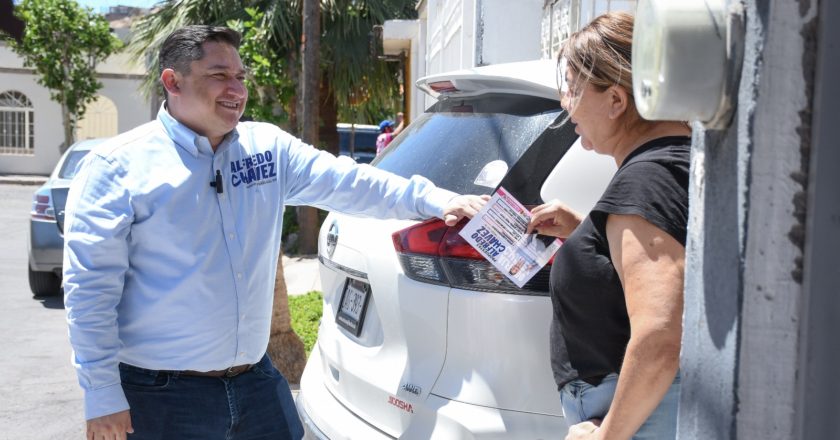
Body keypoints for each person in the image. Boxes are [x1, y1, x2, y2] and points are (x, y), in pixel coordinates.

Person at [63, 25, 487, 440]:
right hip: (161, 398)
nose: (237, 90)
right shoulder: (116, 169)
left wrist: (437, 200)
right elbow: (90, 291)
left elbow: (351, 183)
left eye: (240, 77)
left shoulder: (266, 148)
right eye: (219, 76)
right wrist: (101, 395)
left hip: (257, 385)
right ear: (172, 81)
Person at [527, 12, 691, 440]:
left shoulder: (647, 178)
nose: (566, 103)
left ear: (616, 101)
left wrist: (608, 436)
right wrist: (586, 233)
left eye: (574, 88)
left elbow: (659, 334)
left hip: (636, 417)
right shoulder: (670, 165)